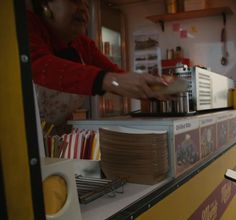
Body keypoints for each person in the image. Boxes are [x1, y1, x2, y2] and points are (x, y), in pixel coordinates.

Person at [26, 0, 168, 127]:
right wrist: (108, 80)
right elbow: (37, 64)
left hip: (58, 136)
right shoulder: (25, 26)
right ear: (45, 4)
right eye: (75, 1)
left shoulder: (83, 45)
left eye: (86, 4)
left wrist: (153, 88)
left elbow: (116, 75)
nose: (83, 9)